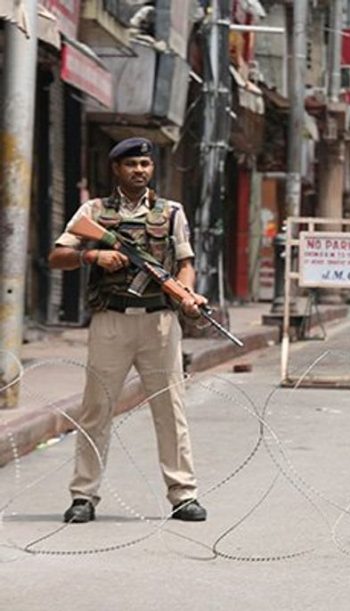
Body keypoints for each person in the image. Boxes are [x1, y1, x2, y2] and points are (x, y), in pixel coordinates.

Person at [48, 137, 209, 524]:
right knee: (97, 410)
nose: (140, 170)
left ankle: (183, 494)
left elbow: (185, 262)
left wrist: (185, 293)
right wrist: (93, 255)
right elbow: (56, 256)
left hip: (159, 322)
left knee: (170, 411)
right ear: (116, 169)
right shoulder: (94, 211)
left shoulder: (172, 212)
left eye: (145, 165)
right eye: (132, 164)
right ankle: (84, 496)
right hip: (111, 321)